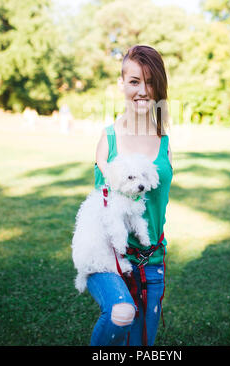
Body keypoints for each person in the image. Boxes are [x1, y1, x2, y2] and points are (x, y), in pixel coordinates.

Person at [87, 45, 173, 346]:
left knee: (140, 346)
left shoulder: (164, 142)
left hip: (152, 259)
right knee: (120, 313)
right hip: (108, 258)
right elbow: (100, 207)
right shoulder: (108, 138)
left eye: (150, 82)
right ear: (121, 84)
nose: (143, 90)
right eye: (135, 81)